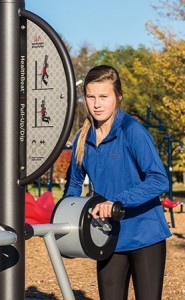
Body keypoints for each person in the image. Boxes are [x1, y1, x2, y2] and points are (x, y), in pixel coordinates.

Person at [63, 65, 171, 300]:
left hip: (145, 235)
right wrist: (63, 221)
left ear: (118, 97)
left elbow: (159, 179)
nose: (97, 104)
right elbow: (73, 184)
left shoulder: (132, 130)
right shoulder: (83, 138)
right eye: (90, 97)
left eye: (104, 96)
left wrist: (118, 202)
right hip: (107, 236)